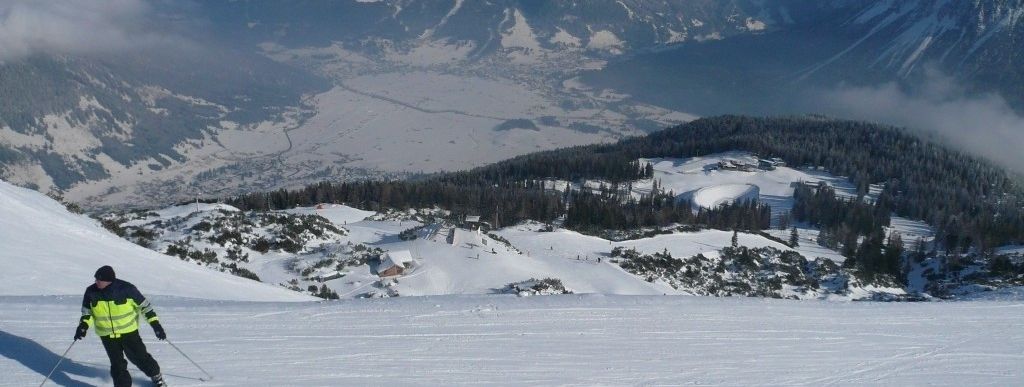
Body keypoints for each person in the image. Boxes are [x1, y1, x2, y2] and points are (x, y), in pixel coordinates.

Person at [75, 266, 167, 387]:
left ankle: (156, 376)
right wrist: (83, 325)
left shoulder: (127, 289)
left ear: (109, 280)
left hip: (129, 333)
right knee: (117, 365)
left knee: (140, 357)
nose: (96, 282)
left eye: (99, 280)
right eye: (96, 279)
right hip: (107, 336)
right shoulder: (91, 292)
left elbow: (145, 307)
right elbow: (87, 313)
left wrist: (155, 325)